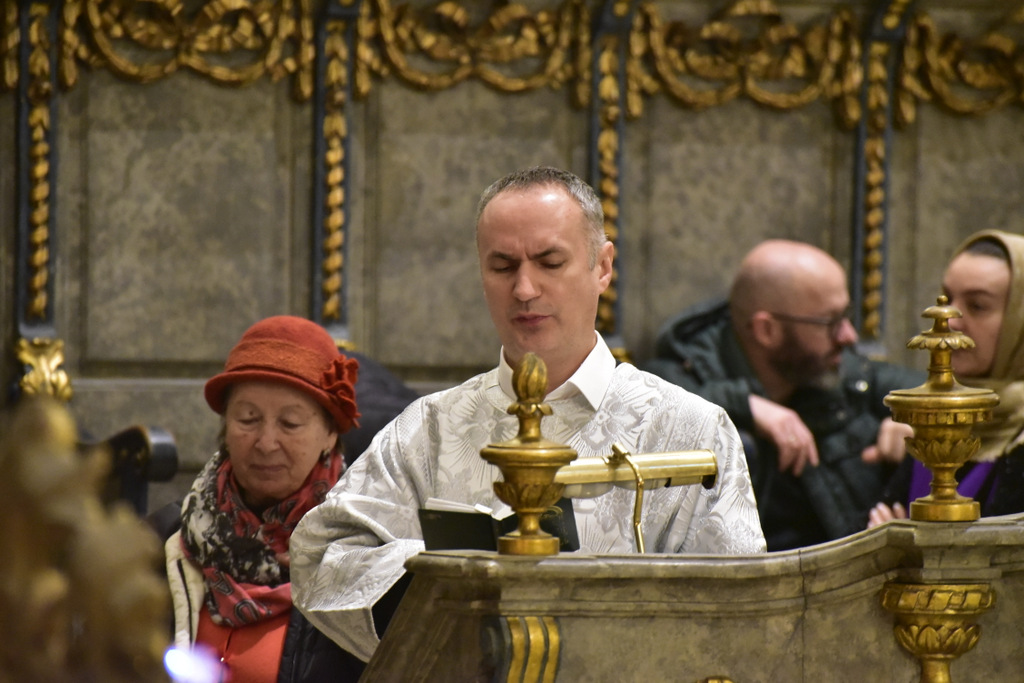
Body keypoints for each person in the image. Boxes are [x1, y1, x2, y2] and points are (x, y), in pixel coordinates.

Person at [289, 166, 766, 670]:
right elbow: (323, 554)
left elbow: (741, 612)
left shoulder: (693, 430)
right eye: (502, 266)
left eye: (549, 262)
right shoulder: (429, 429)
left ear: (602, 267)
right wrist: (455, 581)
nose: (523, 288)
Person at [643, 240, 924, 551]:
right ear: (767, 330)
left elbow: (946, 397)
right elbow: (650, 406)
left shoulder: (840, 372)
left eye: (847, 315)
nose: (849, 335)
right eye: (830, 322)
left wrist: (918, 428)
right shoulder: (679, 376)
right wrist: (744, 405)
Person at [163, 315, 364, 683]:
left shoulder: (364, 558)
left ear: (330, 434)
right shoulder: (166, 541)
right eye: (248, 418)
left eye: (290, 423)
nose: (266, 442)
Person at [868, 230, 1024, 526]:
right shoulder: (935, 414)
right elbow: (876, 523)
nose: (949, 320)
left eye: (977, 306)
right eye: (948, 298)